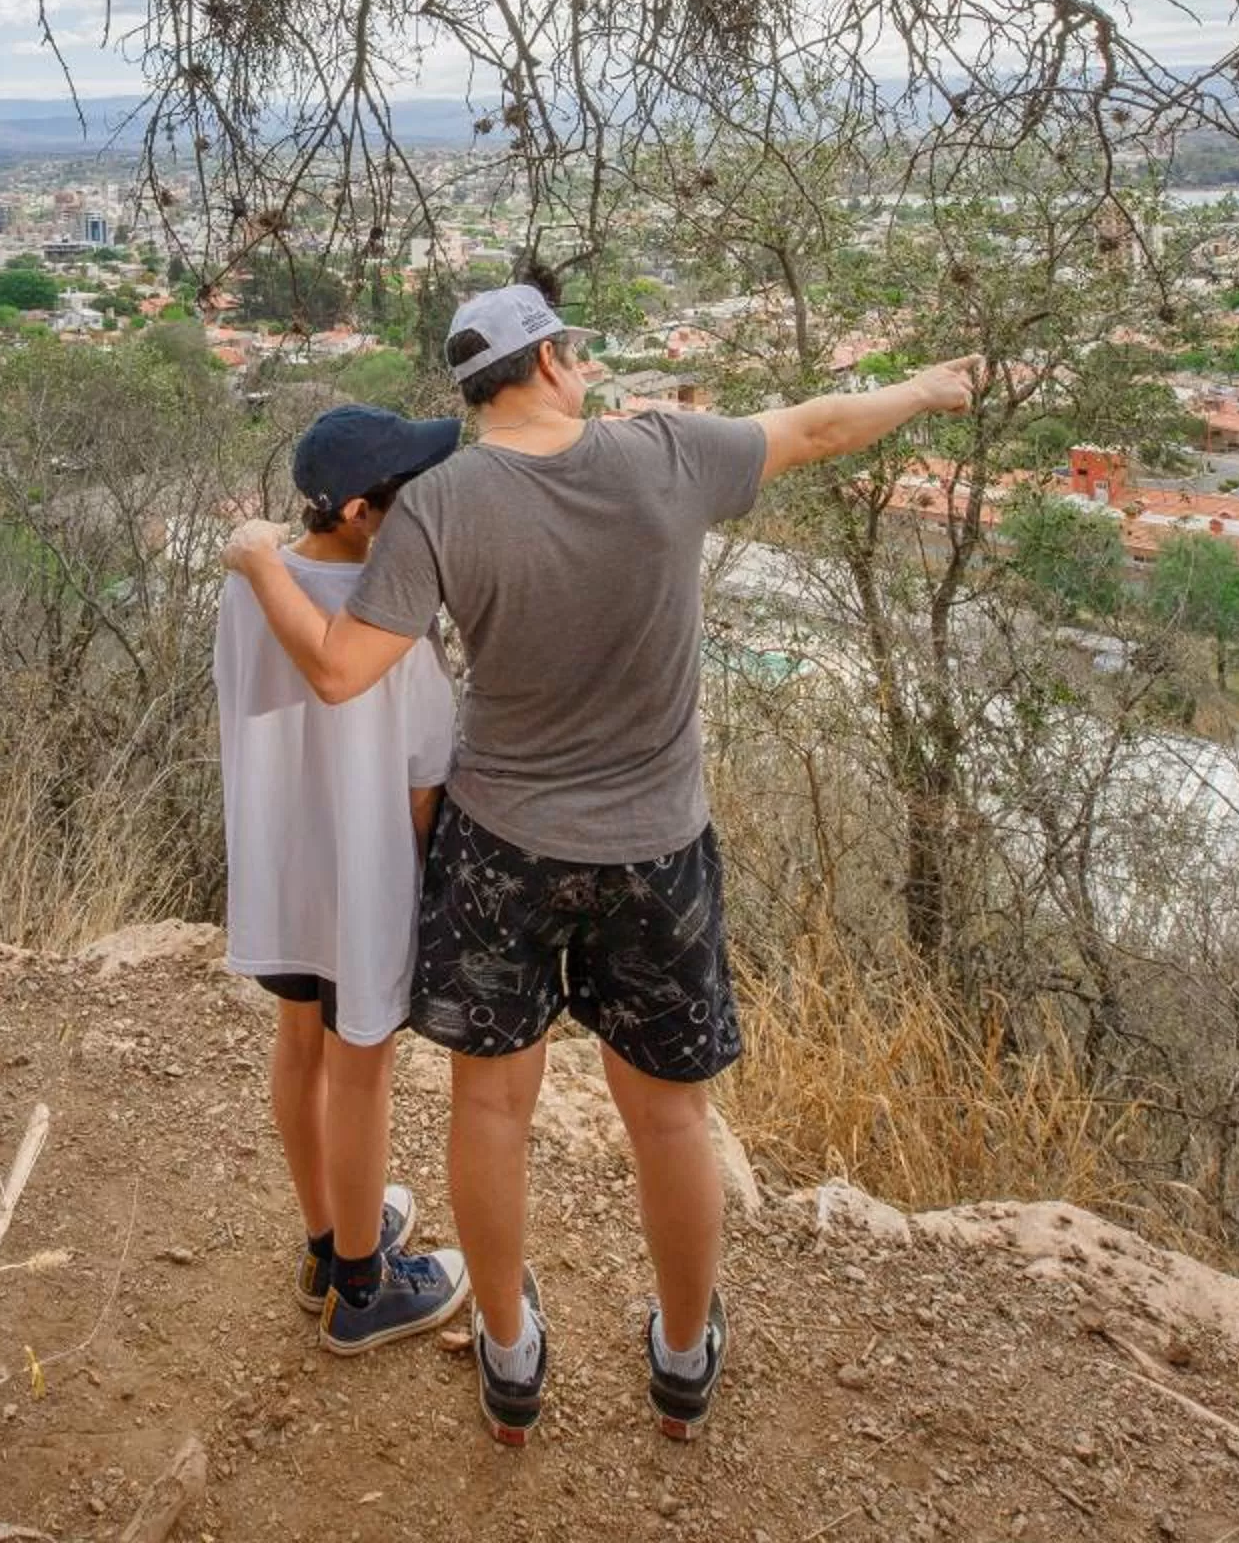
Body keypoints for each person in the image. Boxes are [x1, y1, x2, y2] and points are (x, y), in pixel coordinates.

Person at [223, 282, 983, 1446]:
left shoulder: (442, 505)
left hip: (504, 842)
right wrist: (928, 389)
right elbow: (821, 425)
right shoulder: (664, 455)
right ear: (559, 362)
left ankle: (511, 1351)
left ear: (476, 389)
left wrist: (258, 554)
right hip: (656, 842)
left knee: (492, 1103)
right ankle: (682, 1355)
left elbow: (338, 670)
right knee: (672, 1118)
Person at [216, 404, 469, 1352]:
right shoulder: (391, 611)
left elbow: (245, 708)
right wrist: (419, 877)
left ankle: (327, 1240)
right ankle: (366, 1289)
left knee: (299, 1046)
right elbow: (422, 773)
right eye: (413, 493)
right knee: (363, 1068)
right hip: (364, 867)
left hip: (284, 861)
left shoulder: (256, 583)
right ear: (364, 512)